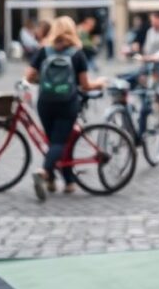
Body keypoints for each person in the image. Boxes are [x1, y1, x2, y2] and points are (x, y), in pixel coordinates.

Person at [24, 16, 108, 201]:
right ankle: (45, 172)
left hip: (45, 103)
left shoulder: (44, 51)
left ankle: (61, 180)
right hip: (67, 103)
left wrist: (46, 81)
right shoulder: (77, 53)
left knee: (52, 141)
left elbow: (29, 76)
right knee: (59, 143)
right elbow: (85, 85)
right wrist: (100, 83)